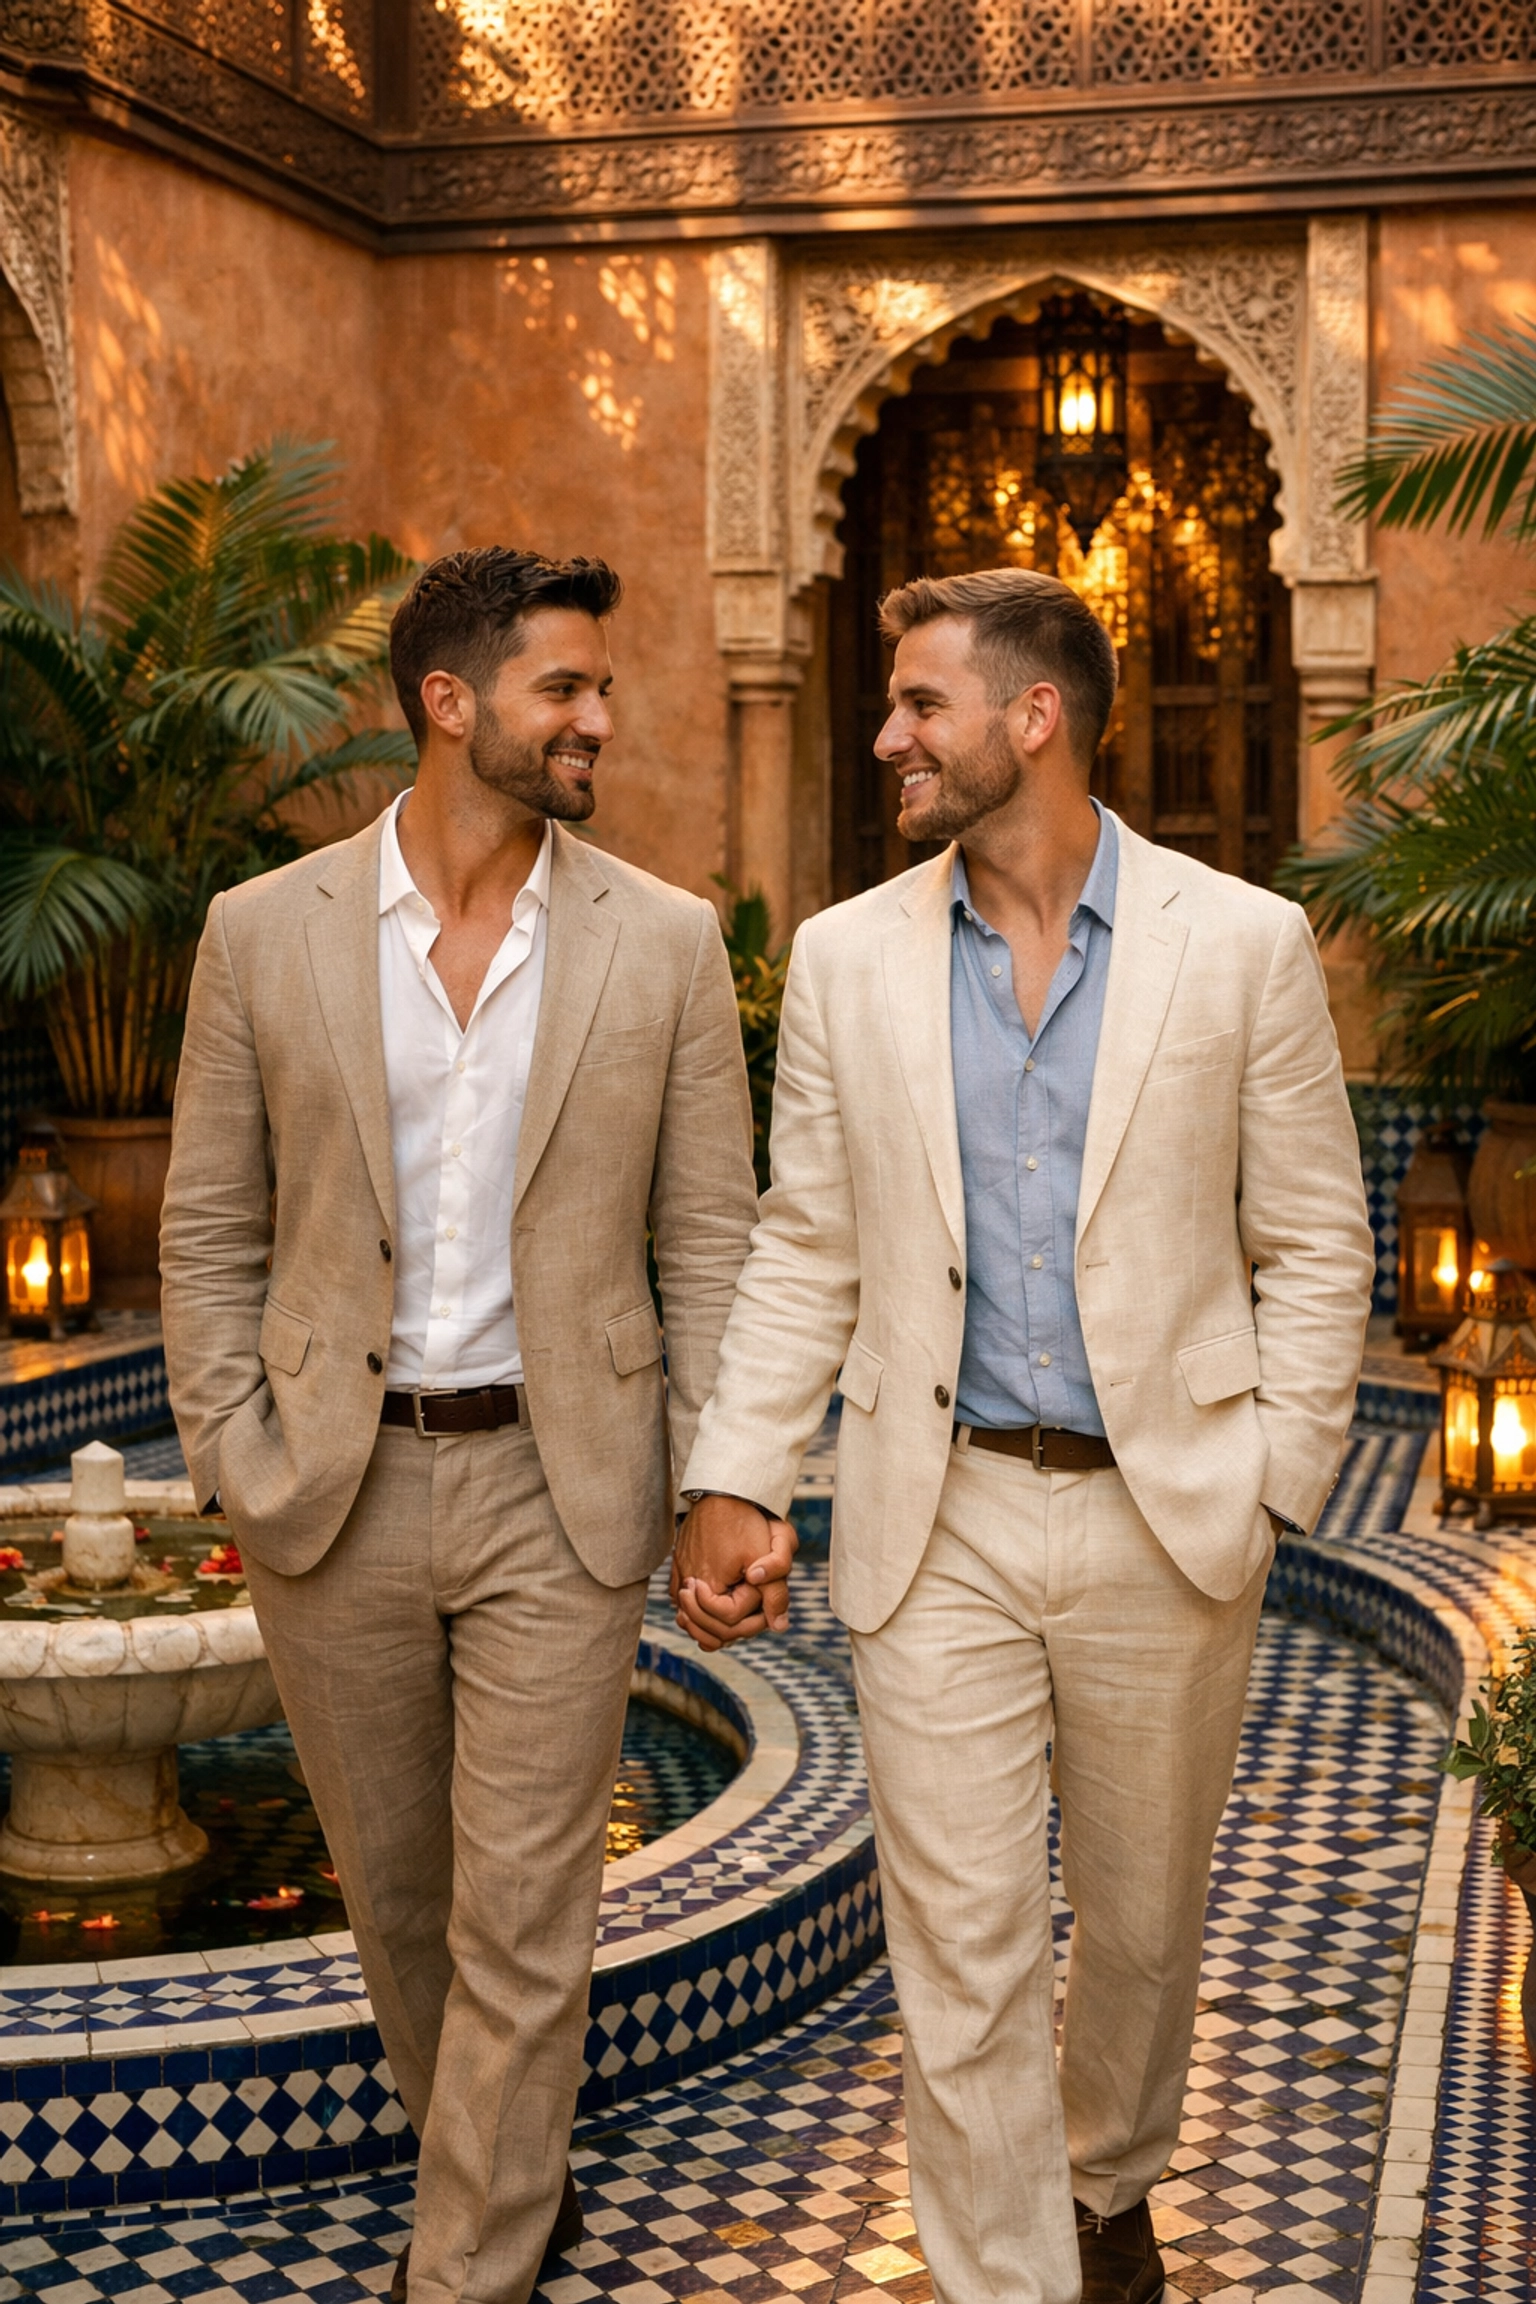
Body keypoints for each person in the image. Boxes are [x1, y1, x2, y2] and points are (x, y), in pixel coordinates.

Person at [671, 568, 1374, 2304]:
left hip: (1170, 1515)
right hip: (943, 1519)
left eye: (921, 704)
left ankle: (1110, 2179)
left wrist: (1272, 1482)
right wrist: (737, 1471)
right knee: (963, 1954)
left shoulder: (1244, 943)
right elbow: (808, 1240)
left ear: (1032, 718)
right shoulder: (844, 961)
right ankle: (1011, 2278)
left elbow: (1313, 1240)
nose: (892, 734)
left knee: (1136, 1933)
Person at [160, 548, 760, 2304]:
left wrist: (713, 1477)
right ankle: (497, 2165)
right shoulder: (259, 932)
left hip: (557, 1488)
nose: (598, 717)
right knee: (401, 1902)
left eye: (596, 688)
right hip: (330, 1487)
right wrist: (225, 1443)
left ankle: (464, 2264)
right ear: (450, 702)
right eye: (563, 688)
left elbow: (710, 1237)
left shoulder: (660, 940)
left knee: (524, 1917)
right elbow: (209, 1223)